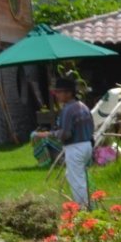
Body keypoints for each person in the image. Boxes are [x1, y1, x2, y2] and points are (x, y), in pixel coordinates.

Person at [34, 78, 93, 207]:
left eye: (59, 92)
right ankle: (88, 205)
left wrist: (50, 134)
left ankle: (83, 211)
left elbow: (66, 134)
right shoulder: (83, 106)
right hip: (87, 145)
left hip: (75, 147)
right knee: (79, 177)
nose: (57, 95)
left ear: (69, 93)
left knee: (77, 181)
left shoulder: (68, 109)